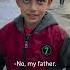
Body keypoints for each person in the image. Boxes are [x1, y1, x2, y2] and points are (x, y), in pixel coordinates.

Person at [0, 0, 70, 70]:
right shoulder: (5, 33)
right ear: (18, 2)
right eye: (26, 1)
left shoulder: (60, 37)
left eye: (40, 1)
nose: (33, 8)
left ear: (48, 3)